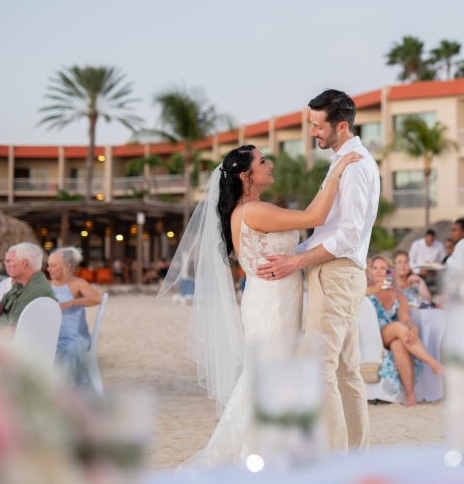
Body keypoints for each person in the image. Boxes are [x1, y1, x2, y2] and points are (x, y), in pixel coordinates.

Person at [166, 139, 362, 469]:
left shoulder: (247, 210)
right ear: (246, 176)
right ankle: (261, 454)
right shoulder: (254, 211)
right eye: (262, 161)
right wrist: (337, 171)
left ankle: (271, 449)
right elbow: (315, 215)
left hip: (269, 297)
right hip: (273, 303)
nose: (269, 164)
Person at [256, 89, 380, 452]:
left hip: (336, 273)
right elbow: (325, 224)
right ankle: (354, 455)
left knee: (320, 369)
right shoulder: (345, 160)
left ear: (342, 126)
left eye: (317, 125)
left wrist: (296, 261)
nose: (312, 133)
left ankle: (335, 462)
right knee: (344, 370)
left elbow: (348, 234)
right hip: (340, 273)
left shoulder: (355, 165)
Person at [366, 254, 444, 406]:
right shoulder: (365, 288)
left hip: (394, 334)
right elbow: (354, 296)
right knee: (397, 327)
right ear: (370, 271)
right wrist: (376, 288)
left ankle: (410, 395)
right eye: (375, 268)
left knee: (398, 344)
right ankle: (433, 363)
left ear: (390, 271)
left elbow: (405, 319)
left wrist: (413, 329)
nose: (379, 271)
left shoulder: (398, 294)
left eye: (383, 268)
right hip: (372, 334)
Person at [47, 247, 102, 385]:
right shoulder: (47, 286)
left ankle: (73, 390)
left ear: (67, 266)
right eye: (48, 265)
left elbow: (97, 298)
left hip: (76, 337)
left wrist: (71, 302)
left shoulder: (77, 283)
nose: (49, 269)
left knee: (67, 349)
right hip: (54, 337)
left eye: (53, 265)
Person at [0, 243, 56, 334]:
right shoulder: (21, 284)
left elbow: (12, 331)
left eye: (10, 261)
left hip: (13, 345)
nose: (7, 265)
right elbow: (2, 304)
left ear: (23, 263)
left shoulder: (36, 289)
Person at [444, 219, 464, 283]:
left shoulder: (462, 249)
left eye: (455, 231)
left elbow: (460, 273)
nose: (452, 233)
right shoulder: (462, 246)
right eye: (451, 230)